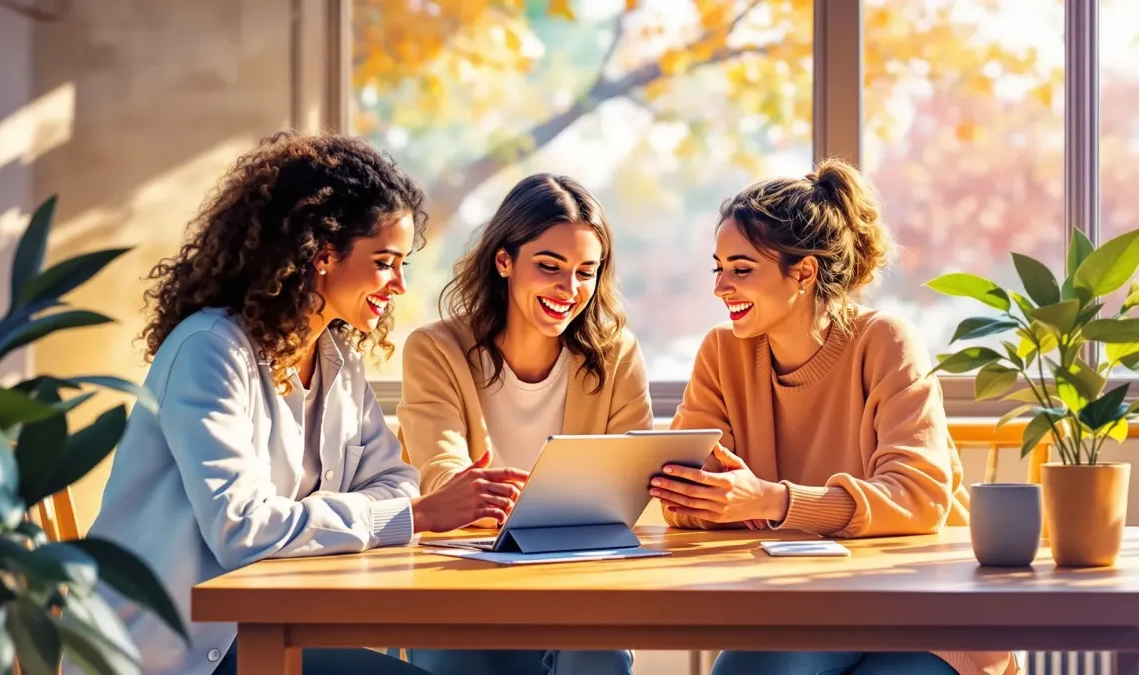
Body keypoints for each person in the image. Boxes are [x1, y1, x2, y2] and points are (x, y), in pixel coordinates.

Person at [80, 133, 527, 675]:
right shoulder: (210, 351)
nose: (400, 285)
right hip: (180, 650)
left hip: (268, 627)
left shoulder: (336, 358)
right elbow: (242, 530)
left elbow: (395, 479)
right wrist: (411, 517)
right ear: (321, 254)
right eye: (386, 262)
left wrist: (397, 509)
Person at [649, 159, 1018, 675]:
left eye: (741, 269)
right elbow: (679, 496)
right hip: (806, 608)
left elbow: (918, 498)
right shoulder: (721, 353)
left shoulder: (886, 341)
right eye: (719, 268)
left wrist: (772, 501)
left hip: (924, 612)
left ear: (803, 272)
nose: (721, 288)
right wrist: (714, 498)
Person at [397, 173, 652, 675]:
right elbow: (442, 472)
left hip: (577, 589)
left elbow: (632, 479)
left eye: (586, 271)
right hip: (461, 587)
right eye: (549, 266)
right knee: (455, 658)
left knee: (597, 659)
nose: (569, 288)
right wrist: (472, 494)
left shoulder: (617, 353)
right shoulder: (435, 349)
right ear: (504, 261)